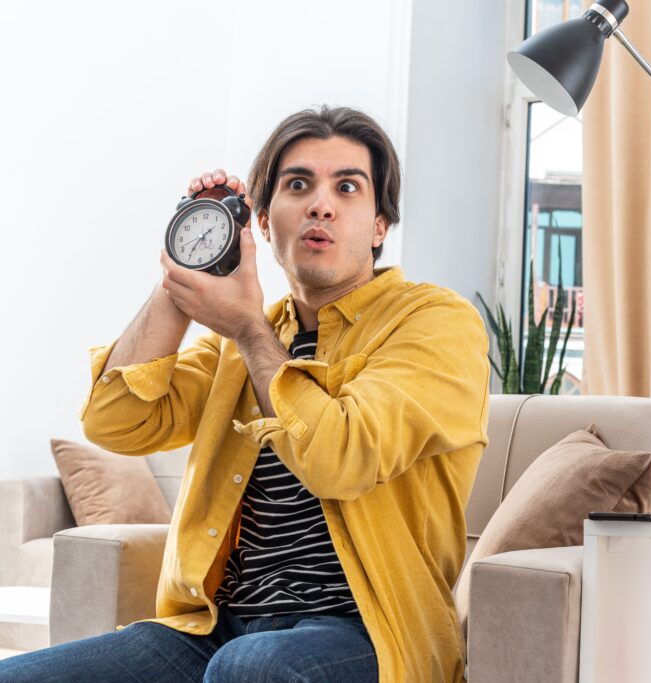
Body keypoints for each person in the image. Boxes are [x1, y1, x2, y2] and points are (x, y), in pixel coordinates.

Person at [0, 106, 490, 682]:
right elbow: (115, 421)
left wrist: (248, 330)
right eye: (298, 184)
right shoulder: (245, 339)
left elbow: (340, 459)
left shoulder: (434, 322)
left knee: (249, 668)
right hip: (214, 629)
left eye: (348, 187)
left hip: (368, 630)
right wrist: (190, 270)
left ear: (380, 224)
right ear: (262, 222)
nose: (321, 204)